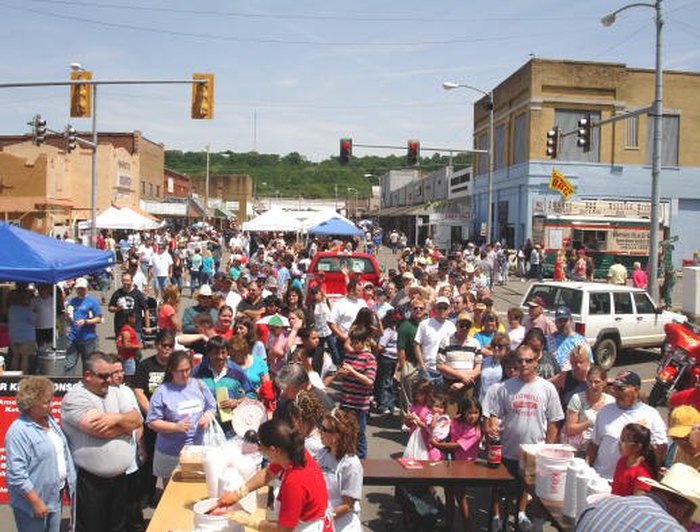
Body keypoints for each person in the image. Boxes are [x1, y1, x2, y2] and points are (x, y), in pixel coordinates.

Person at [60, 352, 143, 532]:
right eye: (104, 376)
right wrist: (124, 424)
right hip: (91, 483)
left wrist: (113, 419)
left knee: (118, 527)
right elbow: (101, 431)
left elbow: (137, 420)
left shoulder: (116, 392)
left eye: (111, 375)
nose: (109, 380)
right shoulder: (75, 398)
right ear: (88, 375)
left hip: (120, 480)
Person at [487, 344, 564, 530]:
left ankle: (520, 515)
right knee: (500, 489)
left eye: (528, 360)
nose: (523, 364)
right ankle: (497, 519)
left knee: (527, 489)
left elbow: (554, 421)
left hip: (533, 452)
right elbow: (494, 414)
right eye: (520, 360)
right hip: (507, 450)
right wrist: (493, 426)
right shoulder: (505, 387)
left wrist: (547, 448)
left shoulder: (547, 388)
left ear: (536, 361)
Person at [215, 419, 333, 531]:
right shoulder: (292, 454)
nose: (260, 450)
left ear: (273, 450)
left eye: (261, 447)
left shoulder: (294, 483)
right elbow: (268, 473)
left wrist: (251, 521)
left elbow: (284, 529)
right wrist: (239, 493)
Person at [5, 376, 76, 532]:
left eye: (50, 400)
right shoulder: (18, 431)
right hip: (32, 501)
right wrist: (35, 502)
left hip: (54, 495)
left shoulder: (49, 420)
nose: (51, 405)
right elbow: (16, 474)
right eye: (45, 402)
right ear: (30, 405)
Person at [146, 350, 217, 485]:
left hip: (197, 449)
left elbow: (211, 406)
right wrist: (175, 427)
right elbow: (152, 421)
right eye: (180, 371)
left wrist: (207, 416)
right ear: (172, 371)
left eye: (187, 370)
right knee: (172, 492)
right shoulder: (162, 391)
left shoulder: (199, 385)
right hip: (171, 452)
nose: (185, 374)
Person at [587, 370, 668, 480]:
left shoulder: (651, 415)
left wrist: (650, 474)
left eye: (622, 389)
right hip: (601, 478)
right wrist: (586, 468)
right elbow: (594, 444)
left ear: (636, 389)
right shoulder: (605, 411)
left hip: (631, 483)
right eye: (615, 388)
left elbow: (660, 448)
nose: (617, 393)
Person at [576, 462, 700, 532]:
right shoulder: (670, 529)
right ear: (683, 509)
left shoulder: (601, 504)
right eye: (690, 519)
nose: (688, 525)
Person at [131, 330, 174, 507]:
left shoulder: (175, 365)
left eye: (170, 346)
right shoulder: (146, 365)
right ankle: (146, 494)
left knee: (168, 458)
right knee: (147, 458)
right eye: (164, 345)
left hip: (171, 421)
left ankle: (168, 495)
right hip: (151, 420)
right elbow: (139, 391)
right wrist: (152, 413)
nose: (167, 349)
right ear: (157, 345)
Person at [429, 397, 482, 529]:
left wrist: (437, 444)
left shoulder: (475, 432)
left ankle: (467, 527)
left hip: (464, 467)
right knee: (448, 495)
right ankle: (449, 525)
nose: (472, 416)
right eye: (469, 412)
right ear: (463, 412)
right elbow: (444, 428)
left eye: (476, 412)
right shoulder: (456, 422)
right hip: (450, 463)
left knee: (460, 496)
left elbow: (457, 446)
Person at [110, 356, 146, 532]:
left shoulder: (127, 391)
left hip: (131, 458)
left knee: (134, 505)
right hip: (113, 462)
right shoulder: (103, 395)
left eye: (121, 371)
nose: (119, 375)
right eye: (115, 372)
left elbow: (138, 422)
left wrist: (142, 447)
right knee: (116, 508)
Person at [193, 336, 255, 437]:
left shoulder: (237, 371)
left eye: (223, 353)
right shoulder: (198, 371)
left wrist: (237, 402)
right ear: (208, 353)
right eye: (216, 353)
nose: (220, 357)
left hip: (230, 431)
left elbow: (252, 395)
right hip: (204, 429)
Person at [316, 408, 364, 532]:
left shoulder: (351, 465)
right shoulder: (322, 453)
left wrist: (324, 521)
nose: (319, 431)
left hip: (341, 525)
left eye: (324, 429)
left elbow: (348, 505)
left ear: (336, 436)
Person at [336, 328, 377, 459]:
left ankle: (362, 460)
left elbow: (369, 381)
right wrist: (341, 374)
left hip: (359, 404)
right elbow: (342, 376)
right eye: (352, 341)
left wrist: (353, 372)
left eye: (356, 342)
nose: (353, 345)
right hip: (345, 400)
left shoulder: (370, 358)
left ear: (365, 342)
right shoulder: (349, 355)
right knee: (343, 432)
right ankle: (345, 457)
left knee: (359, 434)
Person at [437, 311, 482, 414]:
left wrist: (462, 382)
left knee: (466, 416)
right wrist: (461, 375)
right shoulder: (446, 341)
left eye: (467, 325)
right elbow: (440, 365)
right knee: (449, 416)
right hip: (450, 385)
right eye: (462, 325)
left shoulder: (475, 343)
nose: (464, 328)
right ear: (456, 325)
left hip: (467, 386)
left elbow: (478, 367)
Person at [563, 365, 614, 453]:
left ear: (604, 382)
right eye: (590, 381)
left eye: (597, 382)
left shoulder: (611, 402)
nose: (593, 385)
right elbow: (570, 429)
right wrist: (589, 423)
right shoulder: (577, 398)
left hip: (601, 450)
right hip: (580, 450)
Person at [64, 278, 104, 375]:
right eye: (78, 289)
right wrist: (67, 317)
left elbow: (99, 318)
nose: (80, 291)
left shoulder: (92, 301)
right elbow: (69, 319)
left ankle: (87, 386)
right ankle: (69, 385)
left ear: (86, 289)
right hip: (73, 337)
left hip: (88, 338)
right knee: (69, 364)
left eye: (82, 288)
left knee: (88, 366)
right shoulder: (72, 301)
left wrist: (86, 321)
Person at [414, 296, 456, 386]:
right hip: (427, 369)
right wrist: (422, 366)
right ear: (435, 309)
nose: (442, 310)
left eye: (445, 308)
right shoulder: (424, 324)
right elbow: (416, 345)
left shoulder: (452, 326)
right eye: (439, 308)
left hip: (445, 371)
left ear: (449, 309)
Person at [329, 279, 368, 365]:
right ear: (351, 290)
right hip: (344, 342)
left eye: (362, 290)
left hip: (360, 341)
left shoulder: (362, 303)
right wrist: (344, 338)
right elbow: (331, 323)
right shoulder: (340, 304)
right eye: (359, 290)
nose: (362, 292)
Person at [611, 422, 657, 496]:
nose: (620, 443)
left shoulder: (642, 474)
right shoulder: (622, 461)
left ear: (637, 447)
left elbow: (638, 502)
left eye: (624, 440)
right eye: (621, 438)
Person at [108, 272, 149, 340]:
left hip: (135, 327)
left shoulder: (138, 294)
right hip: (120, 326)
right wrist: (117, 309)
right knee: (121, 348)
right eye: (124, 280)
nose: (125, 282)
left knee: (135, 348)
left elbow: (146, 309)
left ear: (132, 281)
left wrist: (147, 326)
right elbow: (110, 308)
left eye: (127, 280)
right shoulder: (117, 293)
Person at [7, 282, 37, 374]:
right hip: (26, 336)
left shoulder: (11, 309)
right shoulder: (27, 310)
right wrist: (34, 311)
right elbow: (34, 320)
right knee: (25, 357)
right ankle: (23, 375)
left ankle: (12, 377)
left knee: (15, 356)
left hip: (14, 335)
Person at [546, 306, 587, 372]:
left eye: (565, 320)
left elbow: (588, 364)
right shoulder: (549, 340)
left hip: (572, 378)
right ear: (555, 323)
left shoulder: (581, 341)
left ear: (571, 321)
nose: (562, 324)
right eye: (559, 321)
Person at [375, 312, 400, 415]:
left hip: (394, 359)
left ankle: (390, 404)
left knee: (391, 382)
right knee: (385, 382)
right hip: (386, 359)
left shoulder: (396, 330)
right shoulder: (387, 331)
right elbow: (380, 346)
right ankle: (383, 405)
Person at [477, 332, 510, 405]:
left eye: (500, 346)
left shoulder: (510, 364)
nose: (496, 348)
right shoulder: (485, 361)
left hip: (500, 403)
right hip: (483, 401)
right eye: (494, 345)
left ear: (506, 348)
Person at [116, 310, 143, 380]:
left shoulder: (128, 329)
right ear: (129, 318)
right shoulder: (127, 331)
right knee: (130, 377)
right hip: (128, 358)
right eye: (134, 317)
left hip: (130, 357)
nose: (135, 319)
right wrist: (138, 346)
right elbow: (126, 345)